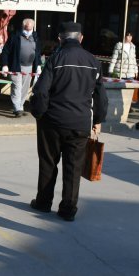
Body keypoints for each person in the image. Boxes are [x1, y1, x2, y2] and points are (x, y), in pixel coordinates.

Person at [29, 21, 108, 221]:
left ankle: (43, 202)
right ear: (81, 38)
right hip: (81, 123)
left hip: (52, 121)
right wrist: (98, 119)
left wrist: (39, 113)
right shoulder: (93, 61)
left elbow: (40, 91)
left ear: (60, 39)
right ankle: (68, 209)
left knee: (48, 163)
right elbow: (100, 96)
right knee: (73, 168)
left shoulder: (55, 59)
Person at [0, 18, 42, 117]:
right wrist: (5, 65)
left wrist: (38, 65)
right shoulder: (15, 36)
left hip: (29, 67)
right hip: (16, 66)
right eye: (26, 29)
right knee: (17, 87)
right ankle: (16, 108)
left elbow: (38, 52)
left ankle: (20, 106)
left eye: (30, 29)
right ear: (23, 27)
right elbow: (5, 51)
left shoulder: (35, 37)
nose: (28, 31)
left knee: (25, 88)